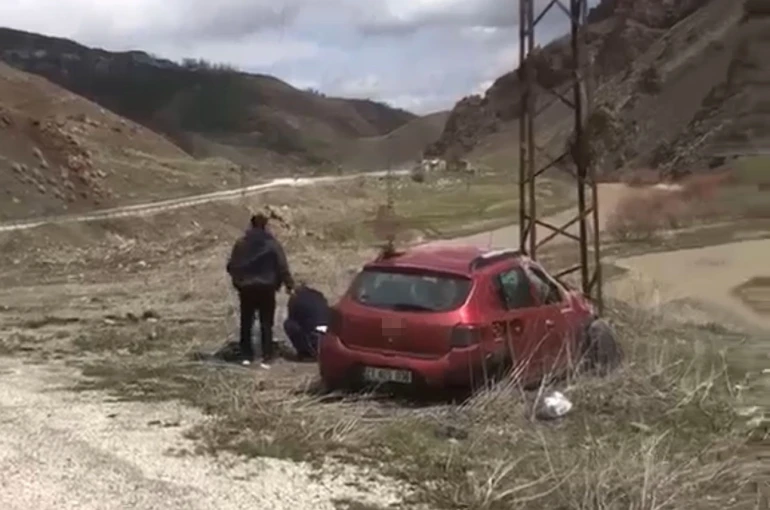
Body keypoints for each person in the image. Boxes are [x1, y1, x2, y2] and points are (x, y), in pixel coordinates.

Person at [226, 213, 295, 368]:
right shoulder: (272, 244)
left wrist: (238, 282)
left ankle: (246, 356)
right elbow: (282, 267)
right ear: (265, 226)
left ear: (251, 225)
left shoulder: (241, 244)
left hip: (247, 288)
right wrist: (289, 286)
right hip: (267, 288)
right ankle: (267, 357)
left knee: (246, 322)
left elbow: (231, 266)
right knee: (266, 323)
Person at [283, 283, 329, 360]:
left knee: (289, 324)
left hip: (313, 334)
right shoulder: (318, 295)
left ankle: (305, 352)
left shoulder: (296, 299)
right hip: (327, 331)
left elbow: (292, 318)